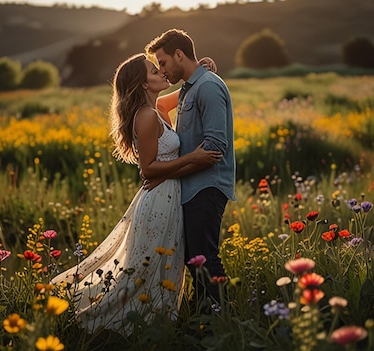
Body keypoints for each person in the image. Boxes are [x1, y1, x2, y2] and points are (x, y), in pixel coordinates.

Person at [49, 53, 222, 335]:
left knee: (158, 268)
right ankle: (110, 324)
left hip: (168, 197)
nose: (162, 73)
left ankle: (153, 323)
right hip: (158, 201)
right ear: (143, 84)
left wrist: (199, 72)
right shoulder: (146, 116)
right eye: (155, 71)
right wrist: (194, 159)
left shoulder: (156, 109)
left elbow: (180, 95)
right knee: (143, 271)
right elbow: (149, 170)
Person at [145, 29, 236, 305]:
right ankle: (205, 315)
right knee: (194, 257)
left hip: (207, 185)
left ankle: (219, 319)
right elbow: (159, 104)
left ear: (179, 55)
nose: (161, 69)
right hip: (192, 185)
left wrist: (168, 171)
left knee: (204, 256)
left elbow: (215, 147)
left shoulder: (207, 86)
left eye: (162, 62)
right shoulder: (190, 87)